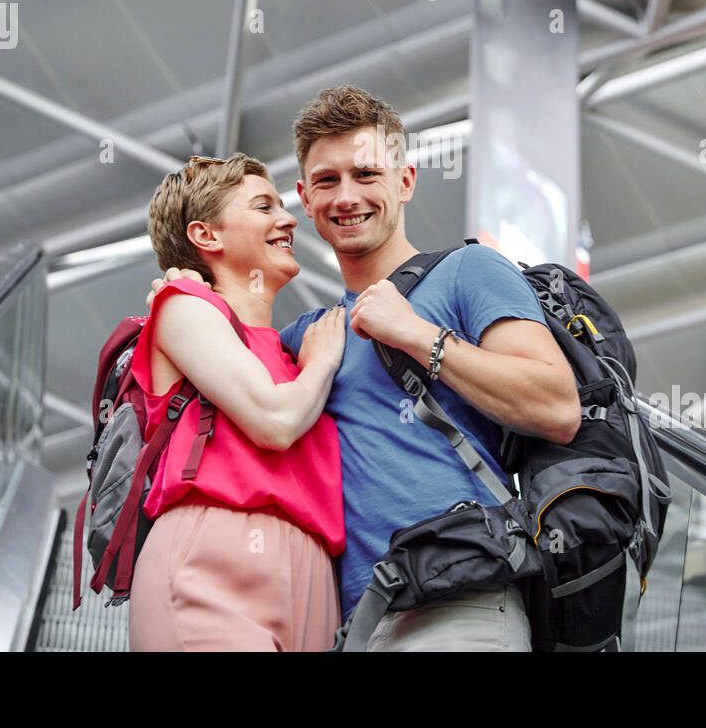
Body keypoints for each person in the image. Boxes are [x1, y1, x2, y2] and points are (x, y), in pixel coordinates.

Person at [149, 88, 581, 651]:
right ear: (304, 198)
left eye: (366, 174)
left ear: (404, 182)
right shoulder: (304, 340)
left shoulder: (468, 270)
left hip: (459, 598)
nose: (346, 196)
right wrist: (185, 292)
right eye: (326, 181)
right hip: (350, 623)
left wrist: (417, 335)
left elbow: (557, 406)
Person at [127, 152, 347, 652]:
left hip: (314, 579)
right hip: (210, 566)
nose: (288, 218)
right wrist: (324, 363)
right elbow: (274, 420)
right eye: (264, 207)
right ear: (207, 236)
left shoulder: (290, 357)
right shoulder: (182, 304)